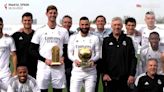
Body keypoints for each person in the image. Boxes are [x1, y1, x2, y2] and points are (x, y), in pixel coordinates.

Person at [29, 5, 69, 92]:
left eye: (54, 13)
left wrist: (63, 57)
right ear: (46, 14)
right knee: (42, 90)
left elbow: (67, 49)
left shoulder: (63, 31)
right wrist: (44, 60)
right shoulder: (40, 31)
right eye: (50, 13)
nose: (52, 15)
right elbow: (32, 50)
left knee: (58, 90)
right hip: (44, 66)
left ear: (57, 14)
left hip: (59, 66)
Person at [102, 17, 137, 92]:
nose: (117, 27)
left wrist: (132, 74)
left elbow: (133, 58)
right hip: (110, 78)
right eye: (115, 25)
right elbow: (103, 59)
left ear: (122, 26)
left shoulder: (128, 40)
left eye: (118, 25)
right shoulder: (106, 41)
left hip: (125, 78)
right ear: (111, 26)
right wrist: (104, 73)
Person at [68, 16, 100, 92]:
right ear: (79, 25)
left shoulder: (95, 38)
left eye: (86, 24)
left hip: (91, 72)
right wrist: (75, 60)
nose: (84, 27)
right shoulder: (73, 37)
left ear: (89, 25)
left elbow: (98, 54)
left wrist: (93, 60)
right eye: (82, 24)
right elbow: (70, 54)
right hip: (77, 72)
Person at [12, 12, 37, 78]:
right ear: (22, 21)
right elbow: (6, 41)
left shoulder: (37, 35)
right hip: (20, 69)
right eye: (25, 20)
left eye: (29, 20)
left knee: (34, 88)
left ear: (32, 21)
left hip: (34, 68)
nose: (27, 22)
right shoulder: (16, 35)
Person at [90, 15, 111, 92]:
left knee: (107, 83)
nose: (100, 22)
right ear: (95, 22)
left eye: (102, 21)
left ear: (105, 22)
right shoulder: (91, 34)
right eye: (98, 21)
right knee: (94, 83)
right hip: (96, 60)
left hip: (107, 61)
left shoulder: (110, 32)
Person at [0, 17, 17, 92]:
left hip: (5, 73)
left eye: (0, 24)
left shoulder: (9, 39)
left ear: (2, 25)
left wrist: (14, 71)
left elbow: (14, 55)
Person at [62, 15, 74, 92]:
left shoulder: (74, 35)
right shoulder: (56, 33)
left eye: (69, 22)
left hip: (69, 65)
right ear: (62, 23)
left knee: (70, 87)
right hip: (58, 64)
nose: (67, 24)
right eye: (65, 22)